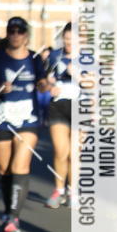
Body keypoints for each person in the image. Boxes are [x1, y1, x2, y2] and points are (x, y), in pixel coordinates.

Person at [0, 16, 47, 232]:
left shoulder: (35, 59)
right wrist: (0, 88)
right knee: (4, 169)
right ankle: (9, 207)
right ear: (8, 33)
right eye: (12, 31)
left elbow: (44, 82)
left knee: (20, 166)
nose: (16, 35)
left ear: (26, 35)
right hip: (2, 117)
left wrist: (43, 84)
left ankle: (12, 217)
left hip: (28, 118)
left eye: (20, 31)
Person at [45, 23, 75, 208]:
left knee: (74, 154)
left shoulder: (87, 57)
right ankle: (59, 190)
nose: (69, 42)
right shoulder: (55, 55)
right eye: (66, 38)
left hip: (81, 107)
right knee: (60, 150)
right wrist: (50, 86)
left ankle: (73, 191)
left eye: (73, 39)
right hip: (58, 106)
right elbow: (45, 80)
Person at [36, 47, 53, 127]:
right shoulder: (38, 63)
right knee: (39, 104)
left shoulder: (51, 64)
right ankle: (39, 120)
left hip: (47, 88)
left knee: (46, 104)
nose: (46, 56)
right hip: (39, 88)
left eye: (48, 54)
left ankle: (45, 120)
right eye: (45, 53)